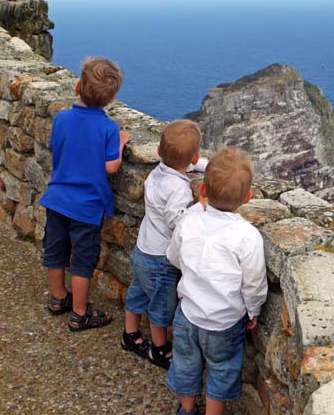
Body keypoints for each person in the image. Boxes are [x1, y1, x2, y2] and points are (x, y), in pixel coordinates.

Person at [167, 148, 267, 415]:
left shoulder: (188, 219)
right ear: (248, 197)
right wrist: (253, 310)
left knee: (186, 363)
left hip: (187, 314)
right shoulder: (247, 236)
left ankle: (186, 410)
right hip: (224, 322)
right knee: (221, 371)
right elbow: (253, 283)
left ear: (202, 189)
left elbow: (174, 257)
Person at [39, 57, 130, 331]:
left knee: (54, 250)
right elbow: (111, 167)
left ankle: (58, 298)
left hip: (57, 200)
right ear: (111, 98)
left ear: (77, 86)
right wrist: (121, 144)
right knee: (82, 260)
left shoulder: (62, 118)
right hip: (87, 208)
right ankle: (79, 313)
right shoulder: (108, 128)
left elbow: (58, 145)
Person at [121, 120, 208, 369]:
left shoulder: (158, 171)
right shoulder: (178, 189)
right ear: (194, 157)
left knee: (137, 293)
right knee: (160, 304)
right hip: (160, 259)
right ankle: (159, 348)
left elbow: (182, 165)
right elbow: (176, 220)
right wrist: (200, 205)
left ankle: (130, 334)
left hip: (142, 249)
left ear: (159, 151)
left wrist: (205, 166)